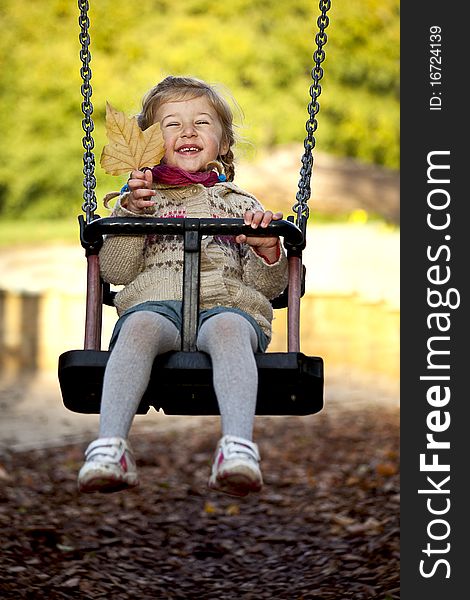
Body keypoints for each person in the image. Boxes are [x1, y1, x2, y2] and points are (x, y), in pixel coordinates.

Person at [78, 75, 288, 497]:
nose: (188, 132)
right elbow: (115, 272)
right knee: (137, 330)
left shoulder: (242, 205)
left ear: (224, 144)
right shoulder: (138, 200)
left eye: (202, 123)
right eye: (171, 124)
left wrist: (268, 249)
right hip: (156, 305)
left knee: (231, 331)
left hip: (226, 305)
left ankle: (237, 447)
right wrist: (130, 217)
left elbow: (266, 286)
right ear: (151, 142)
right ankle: (110, 446)